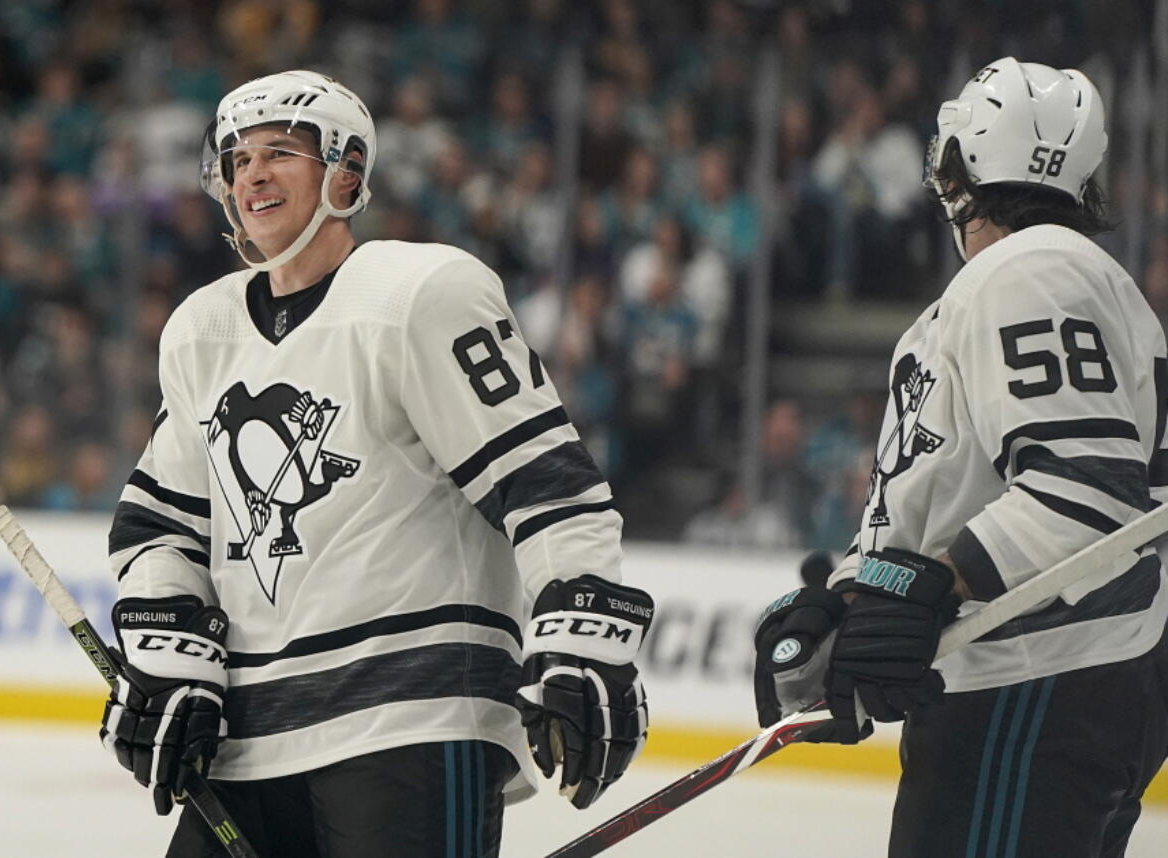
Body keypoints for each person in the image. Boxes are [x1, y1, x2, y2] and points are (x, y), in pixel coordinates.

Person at [97, 70, 654, 858]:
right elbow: (160, 526)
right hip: (246, 743)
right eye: (236, 157)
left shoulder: (424, 292)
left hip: (409, 727)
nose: (251, 173)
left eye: (280, 151)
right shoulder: (202, 328)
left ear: (346, 174)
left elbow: (547, 485)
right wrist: (170, 647)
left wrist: (585, 637)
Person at [753, 57, 1168, 858]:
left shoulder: (1030, 270)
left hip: (1032, 679)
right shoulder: (1035, 283)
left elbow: (1083, 495)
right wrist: (852, 595)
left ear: (964, 167)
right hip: (1041, 682)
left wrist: (933, 587)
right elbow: (948, 491)